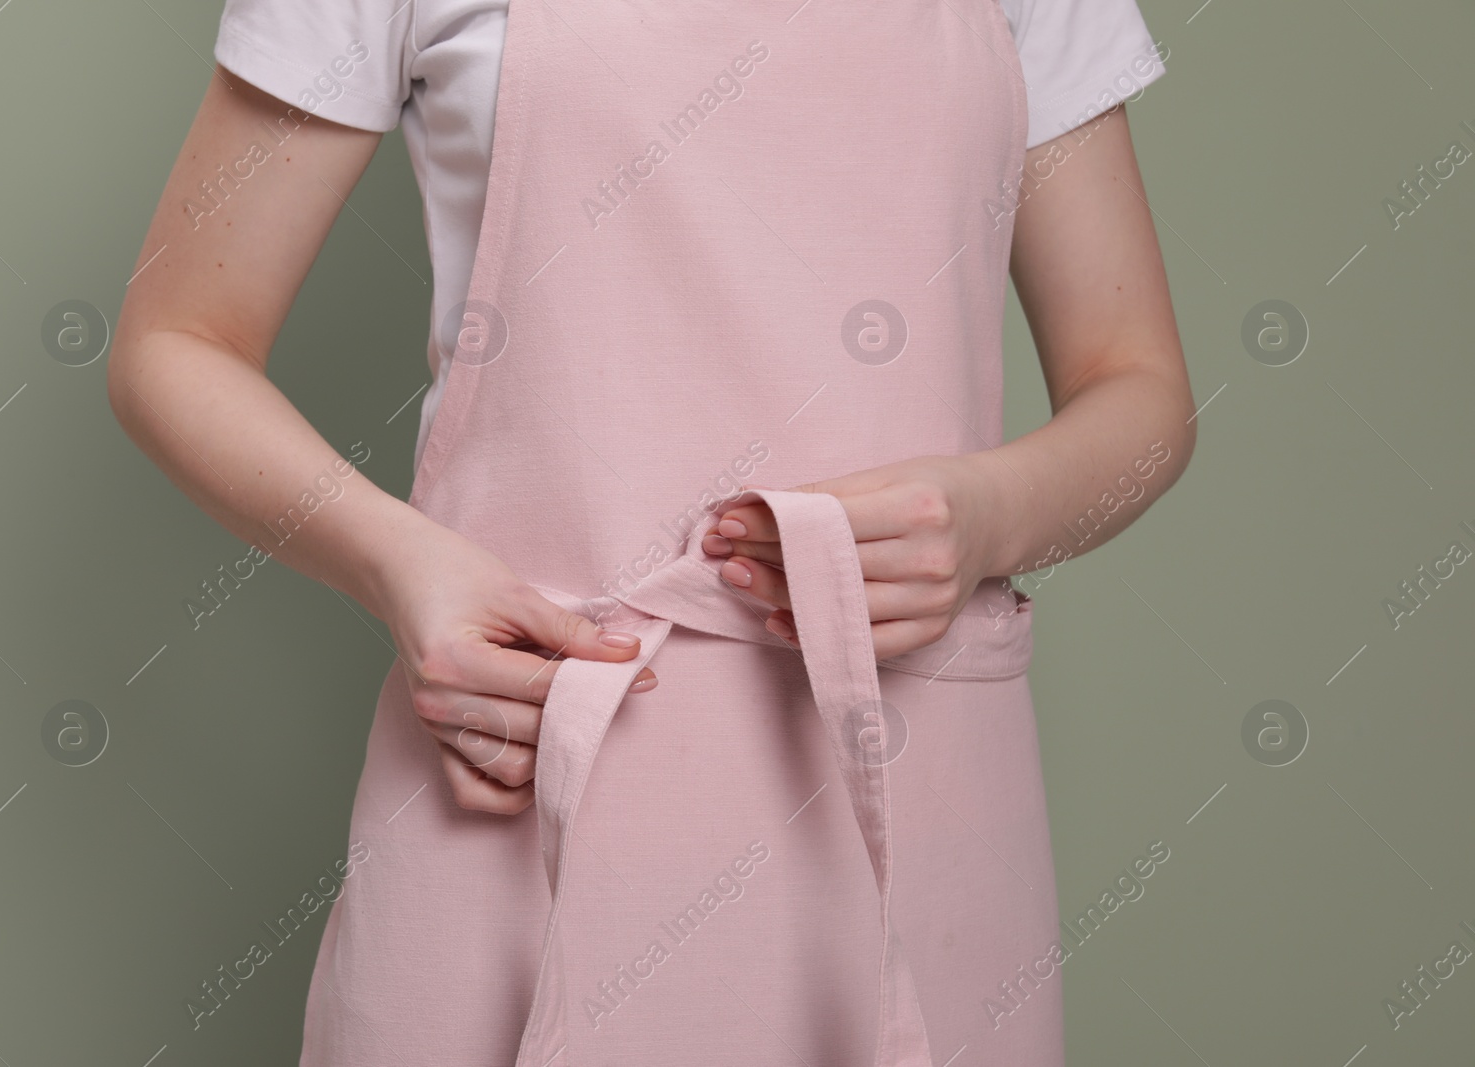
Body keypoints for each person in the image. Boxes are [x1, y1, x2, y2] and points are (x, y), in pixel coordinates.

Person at [109, 0, 1195, 1063]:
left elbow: (1137, 386)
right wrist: (400, 565)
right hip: (522, 758)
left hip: (911, 801)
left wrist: (990, 514)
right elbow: (177, 340)